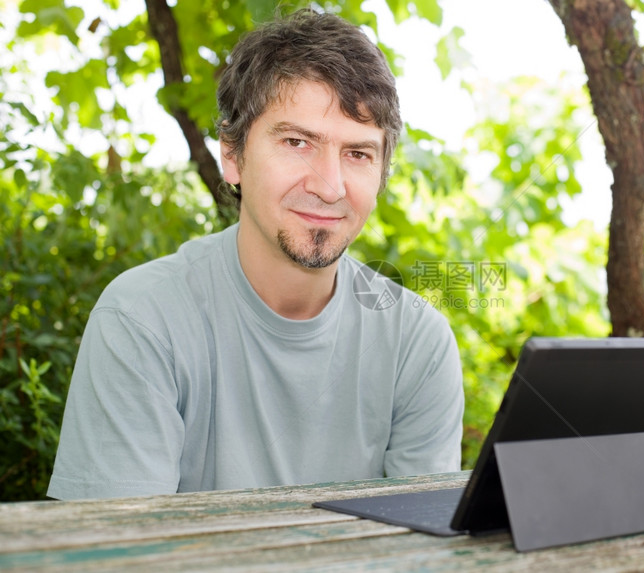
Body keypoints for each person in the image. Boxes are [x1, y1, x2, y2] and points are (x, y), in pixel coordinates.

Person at [47, 9, 464, 500]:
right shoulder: (142, 319)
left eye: (357, 153)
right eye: (296, 141)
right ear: (232, 154)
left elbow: (420, 549)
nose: (330, 187)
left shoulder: (417, 341)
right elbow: (119, 551)